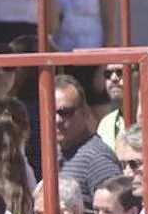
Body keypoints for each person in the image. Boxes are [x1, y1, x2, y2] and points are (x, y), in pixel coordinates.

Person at [53, 75, 125, 206]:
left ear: (84, 111)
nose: (57, 120)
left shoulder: (97, 158)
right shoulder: (57, 153)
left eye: (65, 112)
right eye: (51, 113)